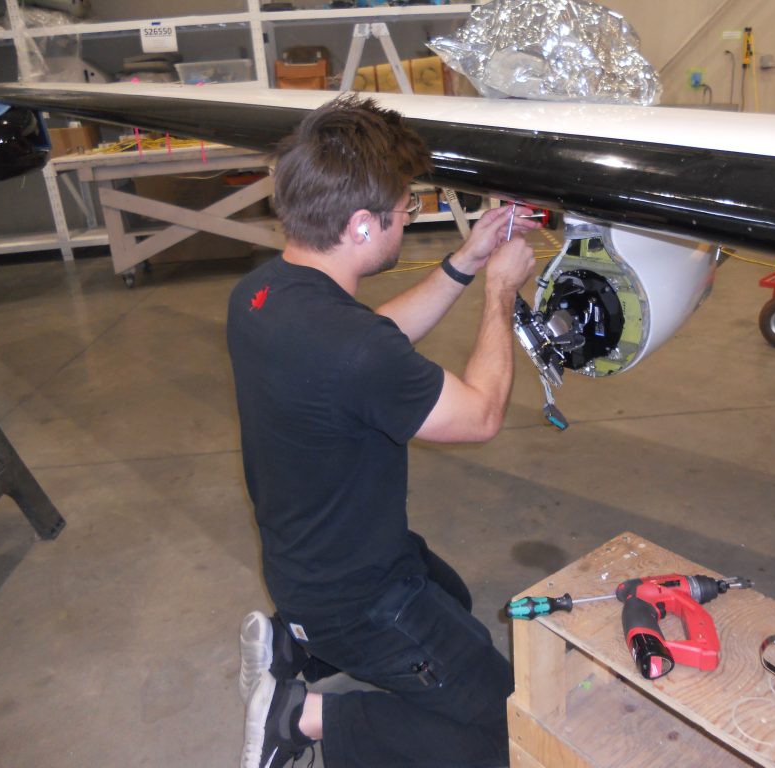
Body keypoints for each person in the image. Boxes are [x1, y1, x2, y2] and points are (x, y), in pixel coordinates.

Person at [226, 93, 539, 768]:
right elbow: (480, 414)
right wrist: (500, 292)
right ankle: (302, 717)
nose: (411, 218)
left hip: (306, 564)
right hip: (360, 599)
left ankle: (296, 645)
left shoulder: (261, 295)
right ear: (363, 225)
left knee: (454, 602)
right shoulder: (353, 352)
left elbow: (371, 341)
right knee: (511, 732)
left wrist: (466, 260)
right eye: (406, 211)